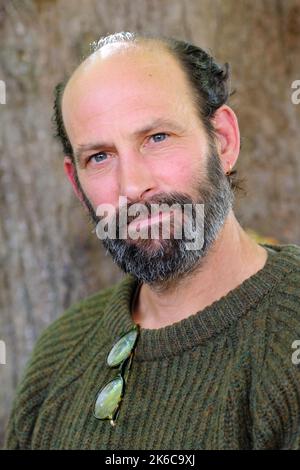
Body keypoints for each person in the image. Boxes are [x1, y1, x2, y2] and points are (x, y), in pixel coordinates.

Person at [5, 31, 300, 450]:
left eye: (157, 138)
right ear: (77, 183)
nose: (132, 186)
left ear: (223, 141)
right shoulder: (58, 353)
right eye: (100, 157)